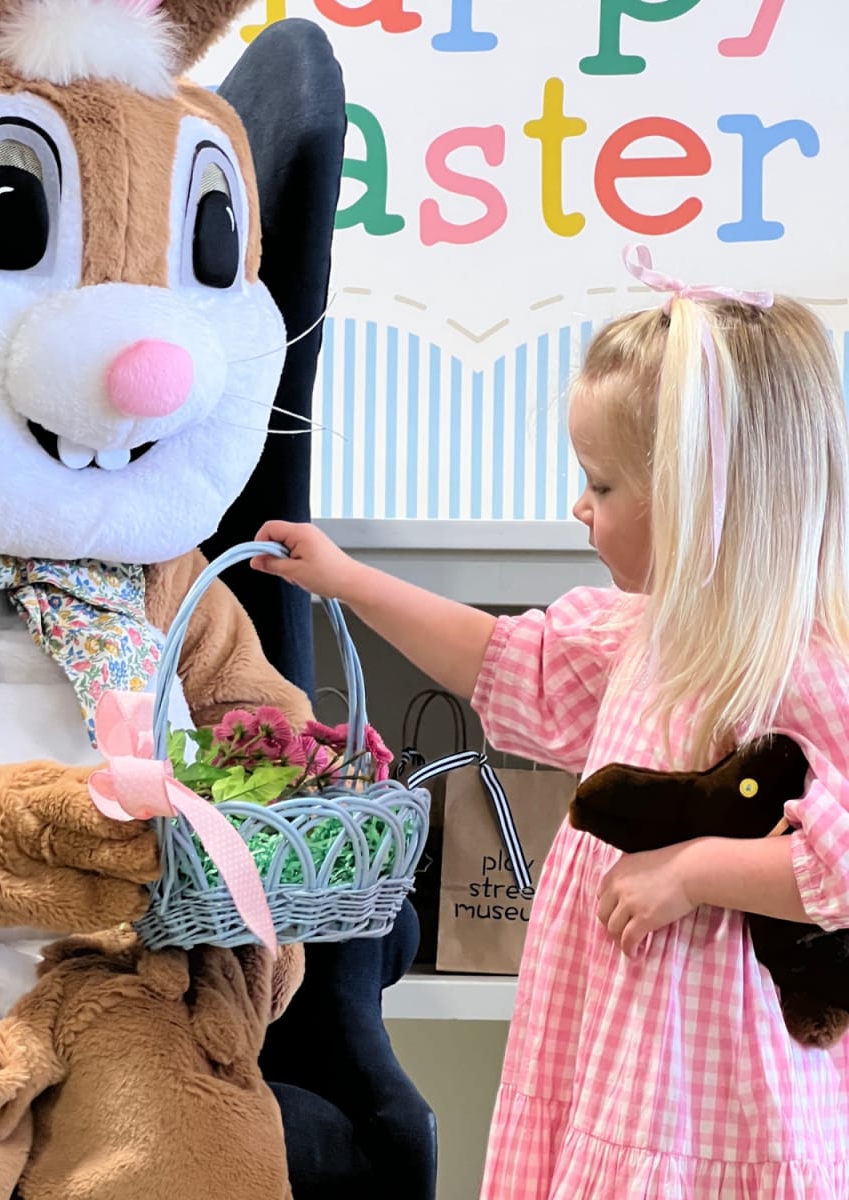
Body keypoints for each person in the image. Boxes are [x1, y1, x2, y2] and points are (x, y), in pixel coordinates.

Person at [252, 245, 849, 1197]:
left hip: (716, 1071)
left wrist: (694, 872)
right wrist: (346, 577)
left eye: (604, 488)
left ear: (709, 496)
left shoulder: (806, 669)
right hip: (617, 1043)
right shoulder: (642, 634)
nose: (581, 506)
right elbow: (502, 661)